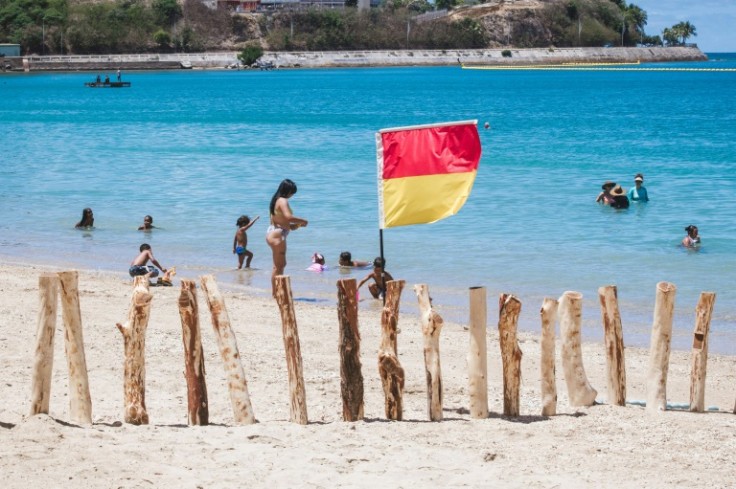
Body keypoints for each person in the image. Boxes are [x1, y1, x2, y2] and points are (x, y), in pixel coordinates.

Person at [265, 179, 308, 296]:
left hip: (274, 233)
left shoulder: (275, 200)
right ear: (287, 190)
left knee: (279, 265)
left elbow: (286, 224)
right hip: (278, 235)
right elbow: (289, 217)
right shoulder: (283, 200)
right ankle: (276, 293)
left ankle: (277, 292)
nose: (292, 195)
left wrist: (298, 225)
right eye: (292, 192)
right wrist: (303, 220)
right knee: (278, 266)